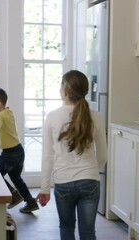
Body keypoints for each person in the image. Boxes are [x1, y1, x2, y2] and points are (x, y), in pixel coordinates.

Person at [36, 70, 107, 240]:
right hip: (90, 181)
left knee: (66, 227)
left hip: (63, 183)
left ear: (64, 90)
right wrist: (87, 170)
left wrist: (44, 188)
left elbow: (47, 156)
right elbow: (103, 156)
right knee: (88, 232)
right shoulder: (96, 116)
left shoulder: (53, 117)